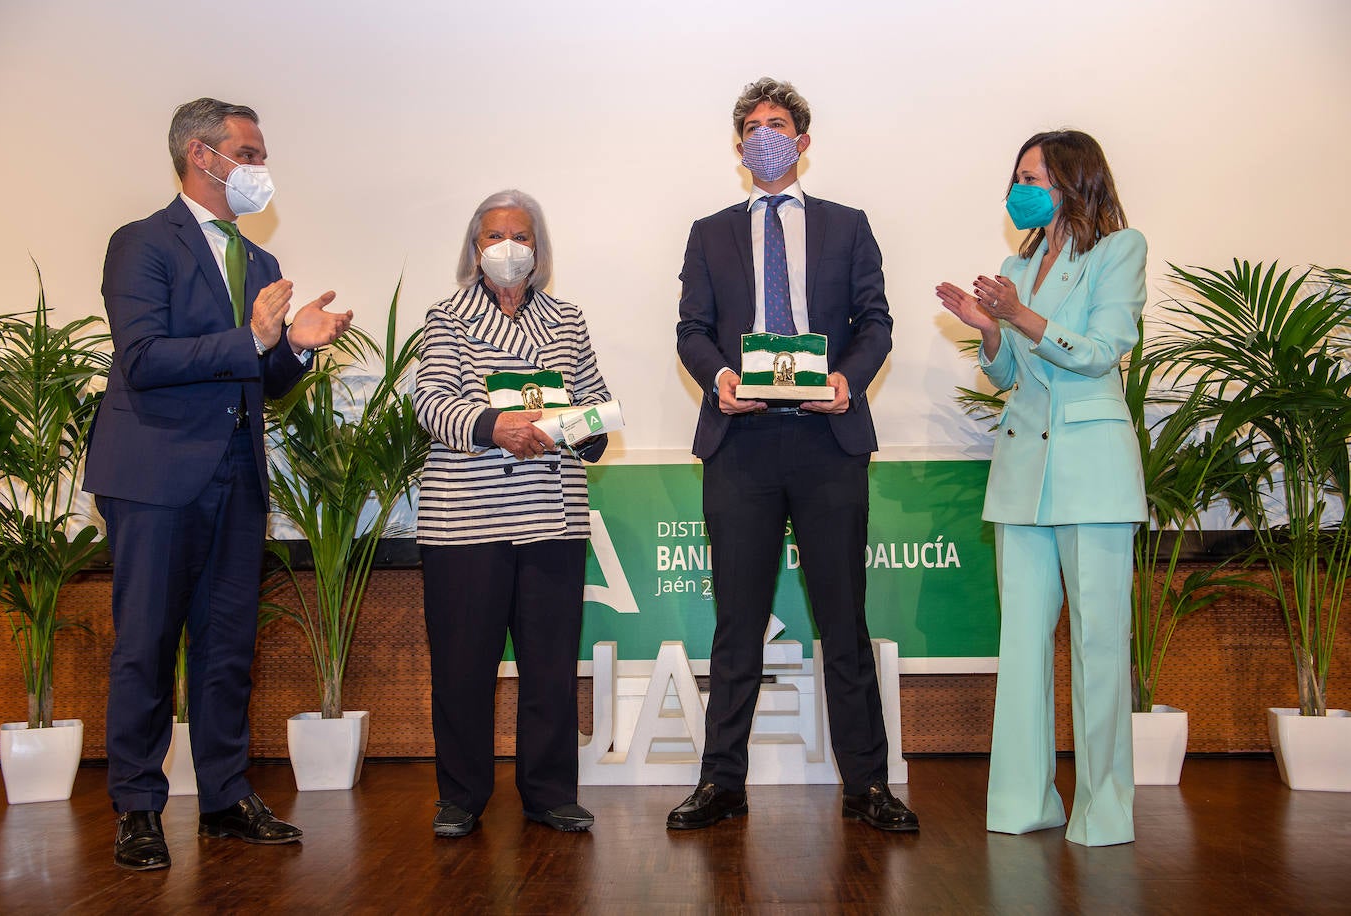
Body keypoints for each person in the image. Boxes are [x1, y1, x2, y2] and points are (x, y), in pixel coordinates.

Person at [84, 98, 353, 871]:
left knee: (229, 649)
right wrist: (254, 336)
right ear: (203, 156)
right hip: (157, 476)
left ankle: (225, 798)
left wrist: (294, 349)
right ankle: (137, 806)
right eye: (250, 153)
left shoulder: (259, 263)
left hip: (237, 478)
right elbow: (144, 358)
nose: (260, 169)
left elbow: (262, 380)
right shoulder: (142, 243)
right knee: (146, 644)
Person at [670, 78, 916, 832]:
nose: (764, 134)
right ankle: (722, 782)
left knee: (842, 618)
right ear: (738, 146)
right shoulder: (708, 231)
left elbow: (876, 322)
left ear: (803, 142)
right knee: (737, 623)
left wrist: (846, 379)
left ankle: (867, 786)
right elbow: (691, 329)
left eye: (778, 124)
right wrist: (718, 379)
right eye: (751, 126)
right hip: (741, 441)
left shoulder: (848, 225)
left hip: (826, 440)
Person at [936, 129, 1146, 847]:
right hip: (1024, 471)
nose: (1019, 188)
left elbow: (1101, 353)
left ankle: (1104, 811)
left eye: (1033, 175)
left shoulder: (1120, 251)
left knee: (1098, 645)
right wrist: (988, 332)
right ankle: (1025, 802)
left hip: (1093, 470)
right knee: (1023, 645)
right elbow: (1010, 378)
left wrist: (1018, 317)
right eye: (1016, 175)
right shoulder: (1012, 266)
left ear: (1072, 181)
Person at [413, 189, 612, 838]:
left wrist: (566, 427)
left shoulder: (568, 320)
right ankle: (461, 798)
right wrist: (497, 426)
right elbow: (432, 404)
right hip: (467, 522)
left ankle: (550, 793)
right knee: (463, 668)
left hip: (551, 523)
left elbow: (601, 412)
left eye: (521, 236)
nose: (508, 248)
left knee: (550, 669)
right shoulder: (446, 318)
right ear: (475, 249)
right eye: (494, 236)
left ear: (539, 249)